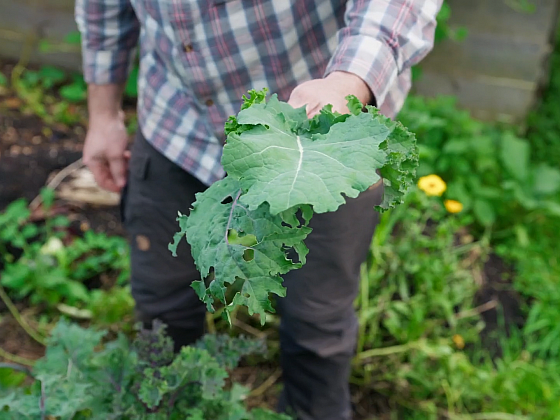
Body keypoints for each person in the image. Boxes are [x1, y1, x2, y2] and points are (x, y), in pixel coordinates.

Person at [75, 1, 441, 419]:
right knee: (161, 309)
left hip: (317, 136)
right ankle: (167, 407)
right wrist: (102, 113)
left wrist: (347, 83)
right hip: (178, 128)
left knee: (315, 327)